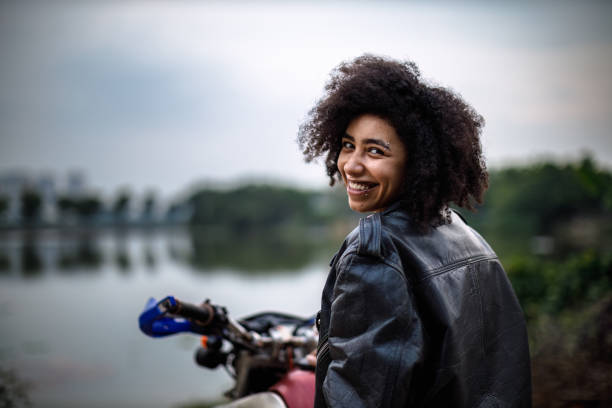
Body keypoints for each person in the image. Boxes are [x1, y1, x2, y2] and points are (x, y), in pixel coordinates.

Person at [298, 55, 532, 407]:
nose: (351, 165)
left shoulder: (375, 255)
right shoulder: (466, 237)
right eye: (348, 145)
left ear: (419, 160)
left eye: (375, 151)